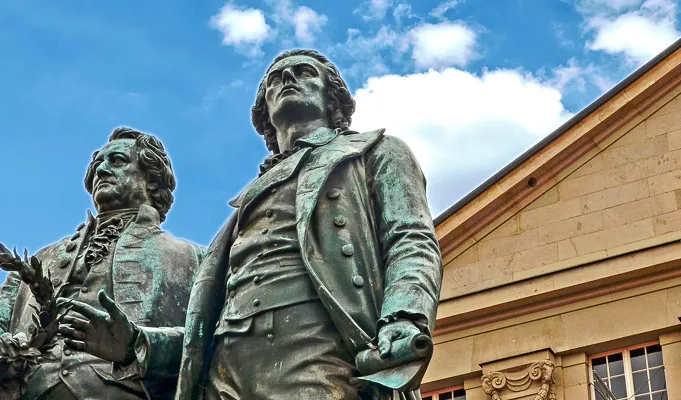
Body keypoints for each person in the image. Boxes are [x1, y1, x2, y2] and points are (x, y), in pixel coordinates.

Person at [61, 49, 443, 399]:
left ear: (333, 99)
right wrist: (134, 342)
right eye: (276, 79)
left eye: (303, 72)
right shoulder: (242, 207)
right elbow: (204, 330)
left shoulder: (376, 152)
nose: (288, 79)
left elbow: (411, 240)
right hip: (224, 371)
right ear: (264, 111)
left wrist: (404, 315)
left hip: (318, 357)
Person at [0, 127, 203, 399]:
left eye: (117, 161)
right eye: (97, 164)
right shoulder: (38, 260)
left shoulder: (195, 258)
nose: (101, 170)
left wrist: (137, 345)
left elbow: (214, 343)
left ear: (152, 179)